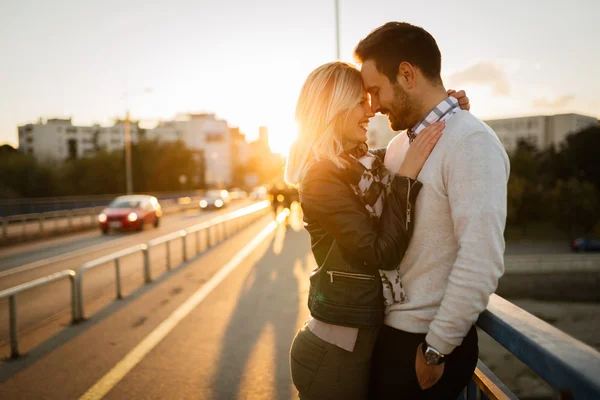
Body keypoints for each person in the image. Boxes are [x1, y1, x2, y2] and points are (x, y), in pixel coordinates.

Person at [285, 61, 470, 400]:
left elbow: (408, 147)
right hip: (332, 357)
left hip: (357, 348)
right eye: (359, 101)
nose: (369, 110)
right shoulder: (321, 178)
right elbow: (381, 252)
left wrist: (443, 112)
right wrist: (406, 178)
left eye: (369, 98)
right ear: (332, 108)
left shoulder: (364, 166)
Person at [354, 22, 510, 399]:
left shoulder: (471, 142)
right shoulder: (395, 149)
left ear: (407, 74)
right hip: (390, 336)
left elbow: (481, 258)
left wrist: (437, 347)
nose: (373, 107)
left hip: (426, 347)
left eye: (376, 91)